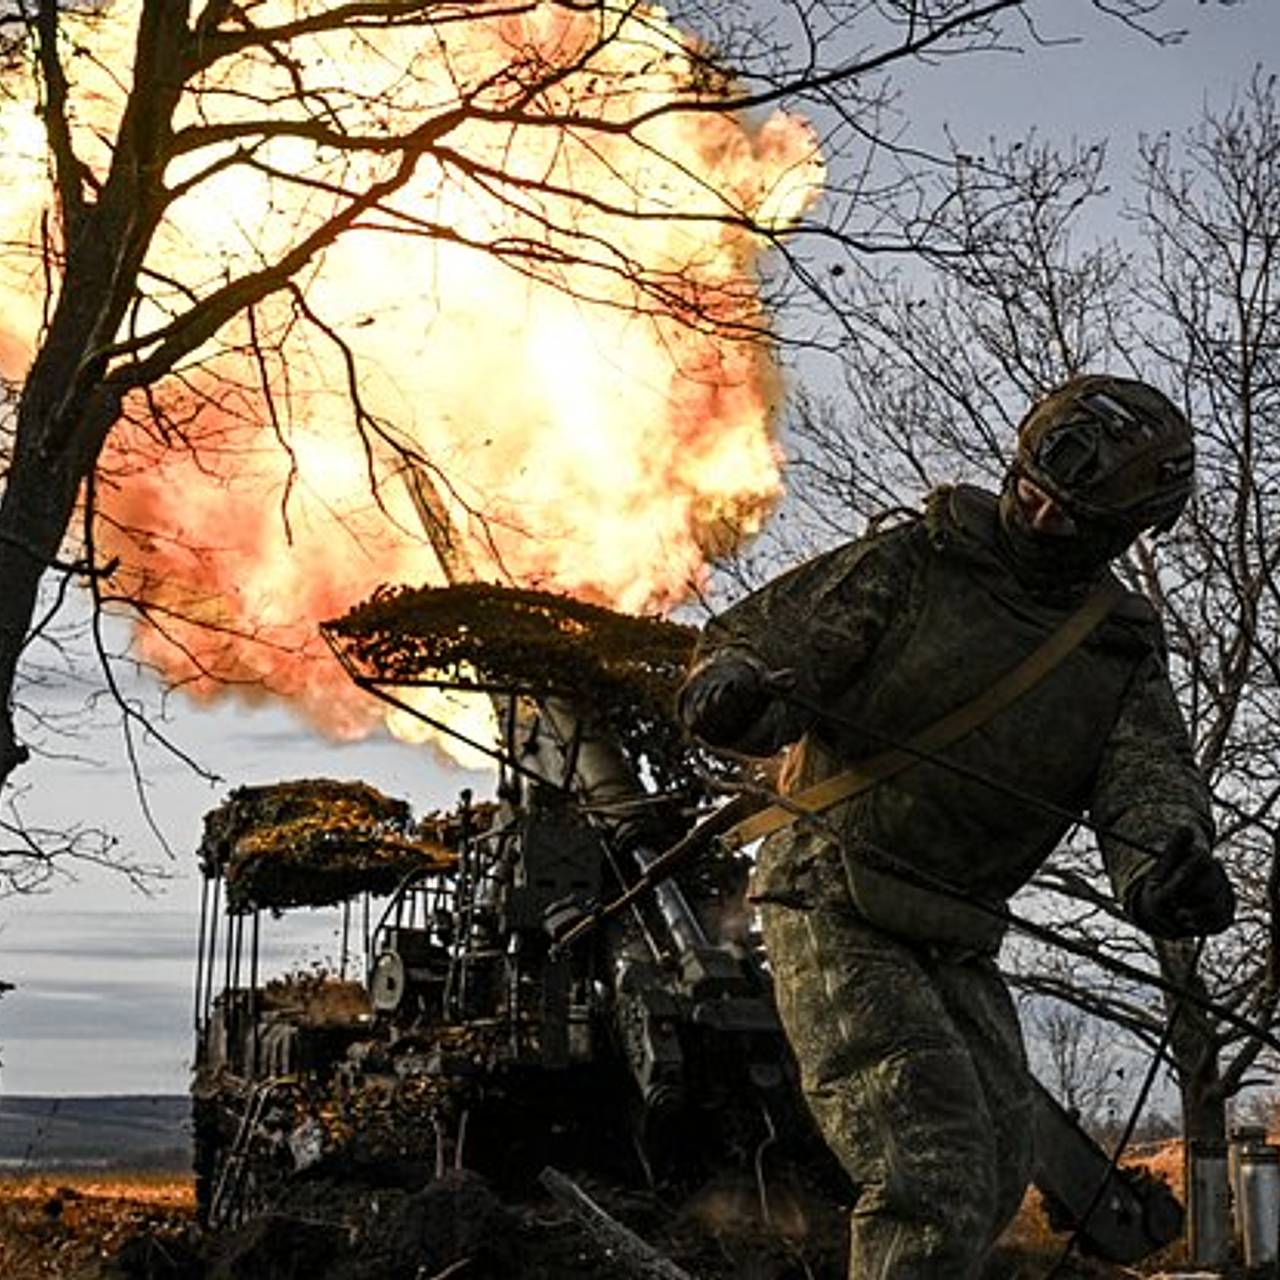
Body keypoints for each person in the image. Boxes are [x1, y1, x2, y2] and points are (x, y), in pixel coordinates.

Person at [677, 374, 1235, 1278]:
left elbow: (1148, 786)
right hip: (832, 895)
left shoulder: (1116, 651)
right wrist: (728, 694)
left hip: (956, 934)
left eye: (1074, 516)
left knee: (1005, 1159)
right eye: (1031, 491)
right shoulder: (914, 564)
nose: (1042, 518)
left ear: (1127, 533)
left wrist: (1169, 873)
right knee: (930, 1171)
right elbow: (769, 655)